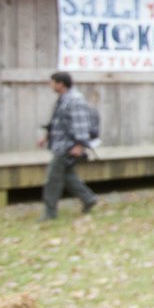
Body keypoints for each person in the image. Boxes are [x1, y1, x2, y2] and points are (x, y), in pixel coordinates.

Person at [37, 71, 97, 220]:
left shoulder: (75, 100)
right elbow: (58, 123)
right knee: (68, 176)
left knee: (53, 178)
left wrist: (79, 145)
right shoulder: (63, 99)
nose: (50, 85)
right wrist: (46, 137)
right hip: (60, 144)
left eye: (52, 82)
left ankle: (49, 212)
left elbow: (81, 124)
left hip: (68, 146)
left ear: (60, 84)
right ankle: (89, 199)